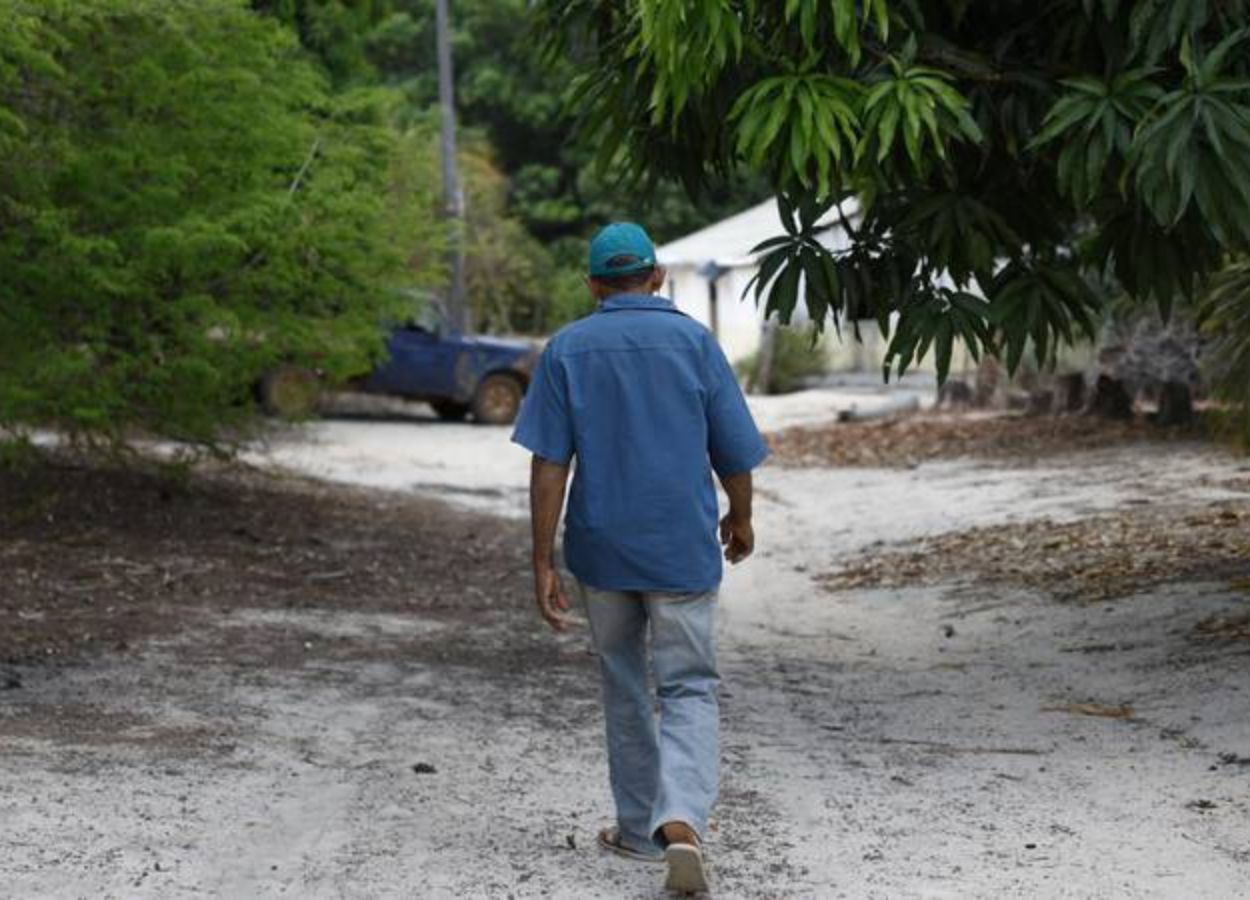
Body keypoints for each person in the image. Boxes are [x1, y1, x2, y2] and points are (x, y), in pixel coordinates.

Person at [511, 222, 769, 894]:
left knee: (623, 681)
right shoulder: (694, 341)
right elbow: (734, 450)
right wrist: (740, 516)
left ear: (594, 284)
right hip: (680, 548)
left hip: (603, 550)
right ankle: (680, 818)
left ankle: (635, 829)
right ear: (656, 277)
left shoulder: (566, 349)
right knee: (688, 685)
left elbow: (549, 463)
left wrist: (542, 559)